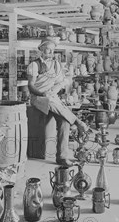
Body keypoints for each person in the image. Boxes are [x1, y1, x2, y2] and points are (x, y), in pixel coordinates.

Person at [27, 37, 88, 166]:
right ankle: (78, 122)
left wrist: (54, 90)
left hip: (51, 97)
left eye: (52, 50)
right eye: (47, 50)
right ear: (41, 50)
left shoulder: (56, 64)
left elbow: (61, 81)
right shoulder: (34, 64)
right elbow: (31, 85)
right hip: (37, 97)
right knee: (50, 100)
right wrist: (42, 93)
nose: (49, 53)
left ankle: (61, 157)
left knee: (65, 121)